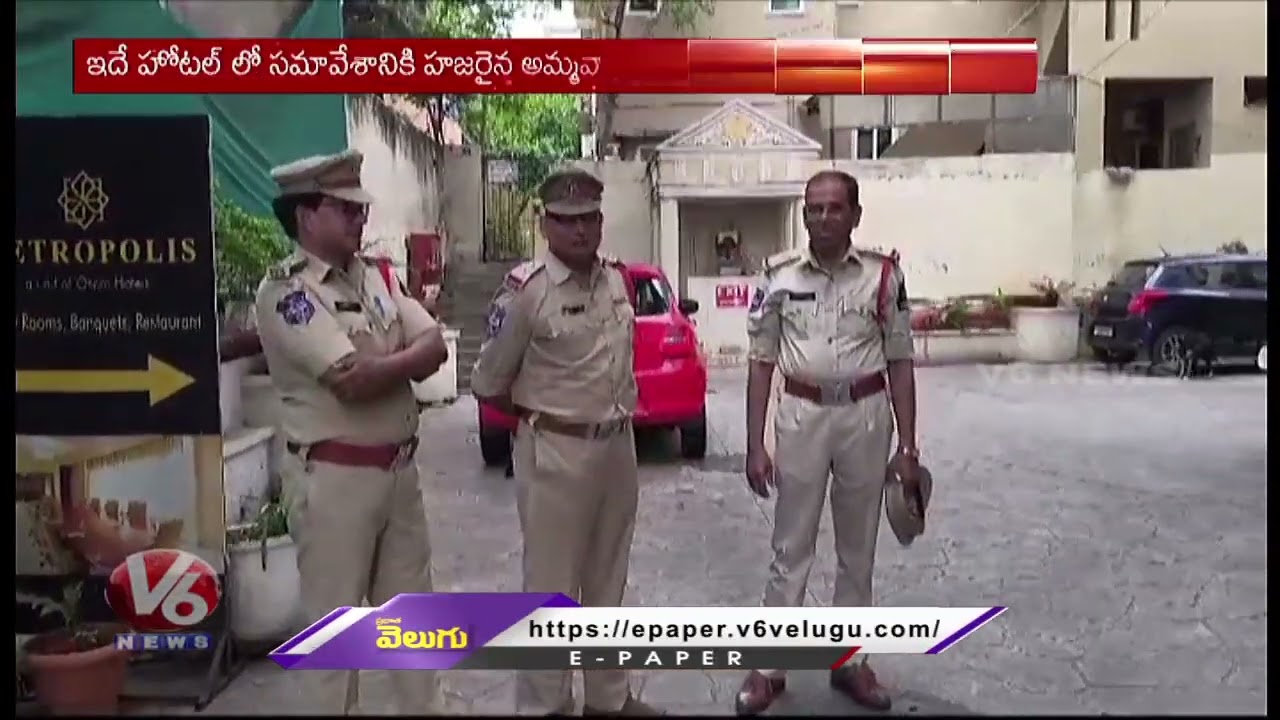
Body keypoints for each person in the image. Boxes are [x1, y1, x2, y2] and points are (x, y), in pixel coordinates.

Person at [254, 149, 450, 715]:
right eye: (345, 209)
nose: (360, 218)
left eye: (360, 208)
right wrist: (404, 359)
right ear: (305, 215)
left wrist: (385, 363)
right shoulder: (287, 293)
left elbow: (435, 345)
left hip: (398, 474)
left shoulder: (375, 277)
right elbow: (350, 381)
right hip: (334, 481)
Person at [470, 168, 658, 716]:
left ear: (600, 220)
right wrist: (546, 419)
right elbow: (488, 382)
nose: (579, 230)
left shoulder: (616, 281)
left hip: (617, 446)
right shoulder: (526, 293)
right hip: (556, 450)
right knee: (550, 589)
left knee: (608, 580)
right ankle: (544, 704)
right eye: (566, 220)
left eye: (589, 219)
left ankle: (608, 699)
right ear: (545, 225)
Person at [736, 170, 923, 716]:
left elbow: (900, 361)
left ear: (855, 215)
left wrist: (908, 448)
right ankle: (769, 668)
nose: (822, 218)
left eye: (834, 208)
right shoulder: (777, 276)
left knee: (857, 551)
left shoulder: (883, 276)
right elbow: (761, 362)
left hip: (865, 415)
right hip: (802, 415)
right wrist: (755, 444)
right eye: (813, 208)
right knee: (790, 547)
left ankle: (849, 663)